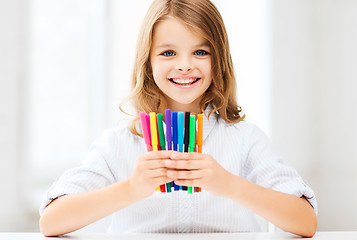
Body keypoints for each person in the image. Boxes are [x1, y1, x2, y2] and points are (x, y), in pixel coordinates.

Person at [39, 0, 317, 237]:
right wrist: (131, 189)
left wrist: (229, 184)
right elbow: (51, 222)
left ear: (218, 61)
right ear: (148, 63)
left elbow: (305, 221)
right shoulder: (117, 143)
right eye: (168, 52)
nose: (184, 64)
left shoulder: (244, 139)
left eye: (200, 52)